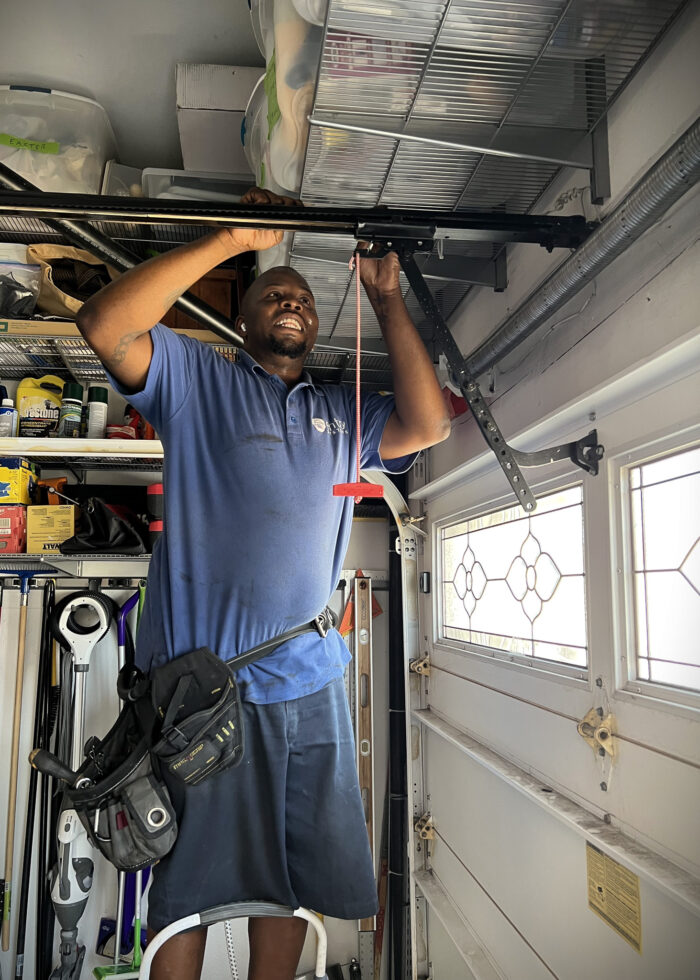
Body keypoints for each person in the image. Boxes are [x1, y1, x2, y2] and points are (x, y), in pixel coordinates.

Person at [76, 187, 450, 980]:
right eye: (273, 293)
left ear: (317, 327)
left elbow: (430, 425)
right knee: (187, 885)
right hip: (202, 694)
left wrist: (385, 296)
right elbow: (103, 325)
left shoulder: (345, 415)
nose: (292, 300)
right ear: (242, 321)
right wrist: (228, 239)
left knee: (286, 882)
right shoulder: (197, 382)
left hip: (309, 686)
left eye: (305, 298)